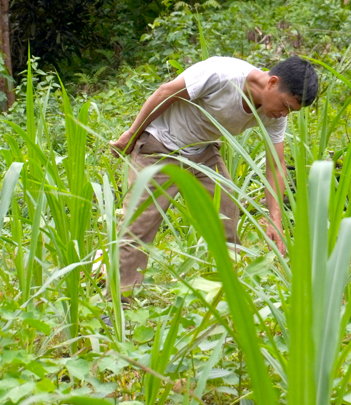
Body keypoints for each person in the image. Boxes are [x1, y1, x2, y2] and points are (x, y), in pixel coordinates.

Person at [109, 55, 319, 290]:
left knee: (226, 215)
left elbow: (276, 164)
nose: (284, 114)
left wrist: (275, 221)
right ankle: (119, 301)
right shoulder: (221, 74)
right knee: (139, 225)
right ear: (272, 83)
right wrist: (132, 134)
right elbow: (165, 92)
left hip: (203, 152)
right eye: (285, 106)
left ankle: (231, 291)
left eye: (291, 111)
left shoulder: (274, 114)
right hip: (159, 145)